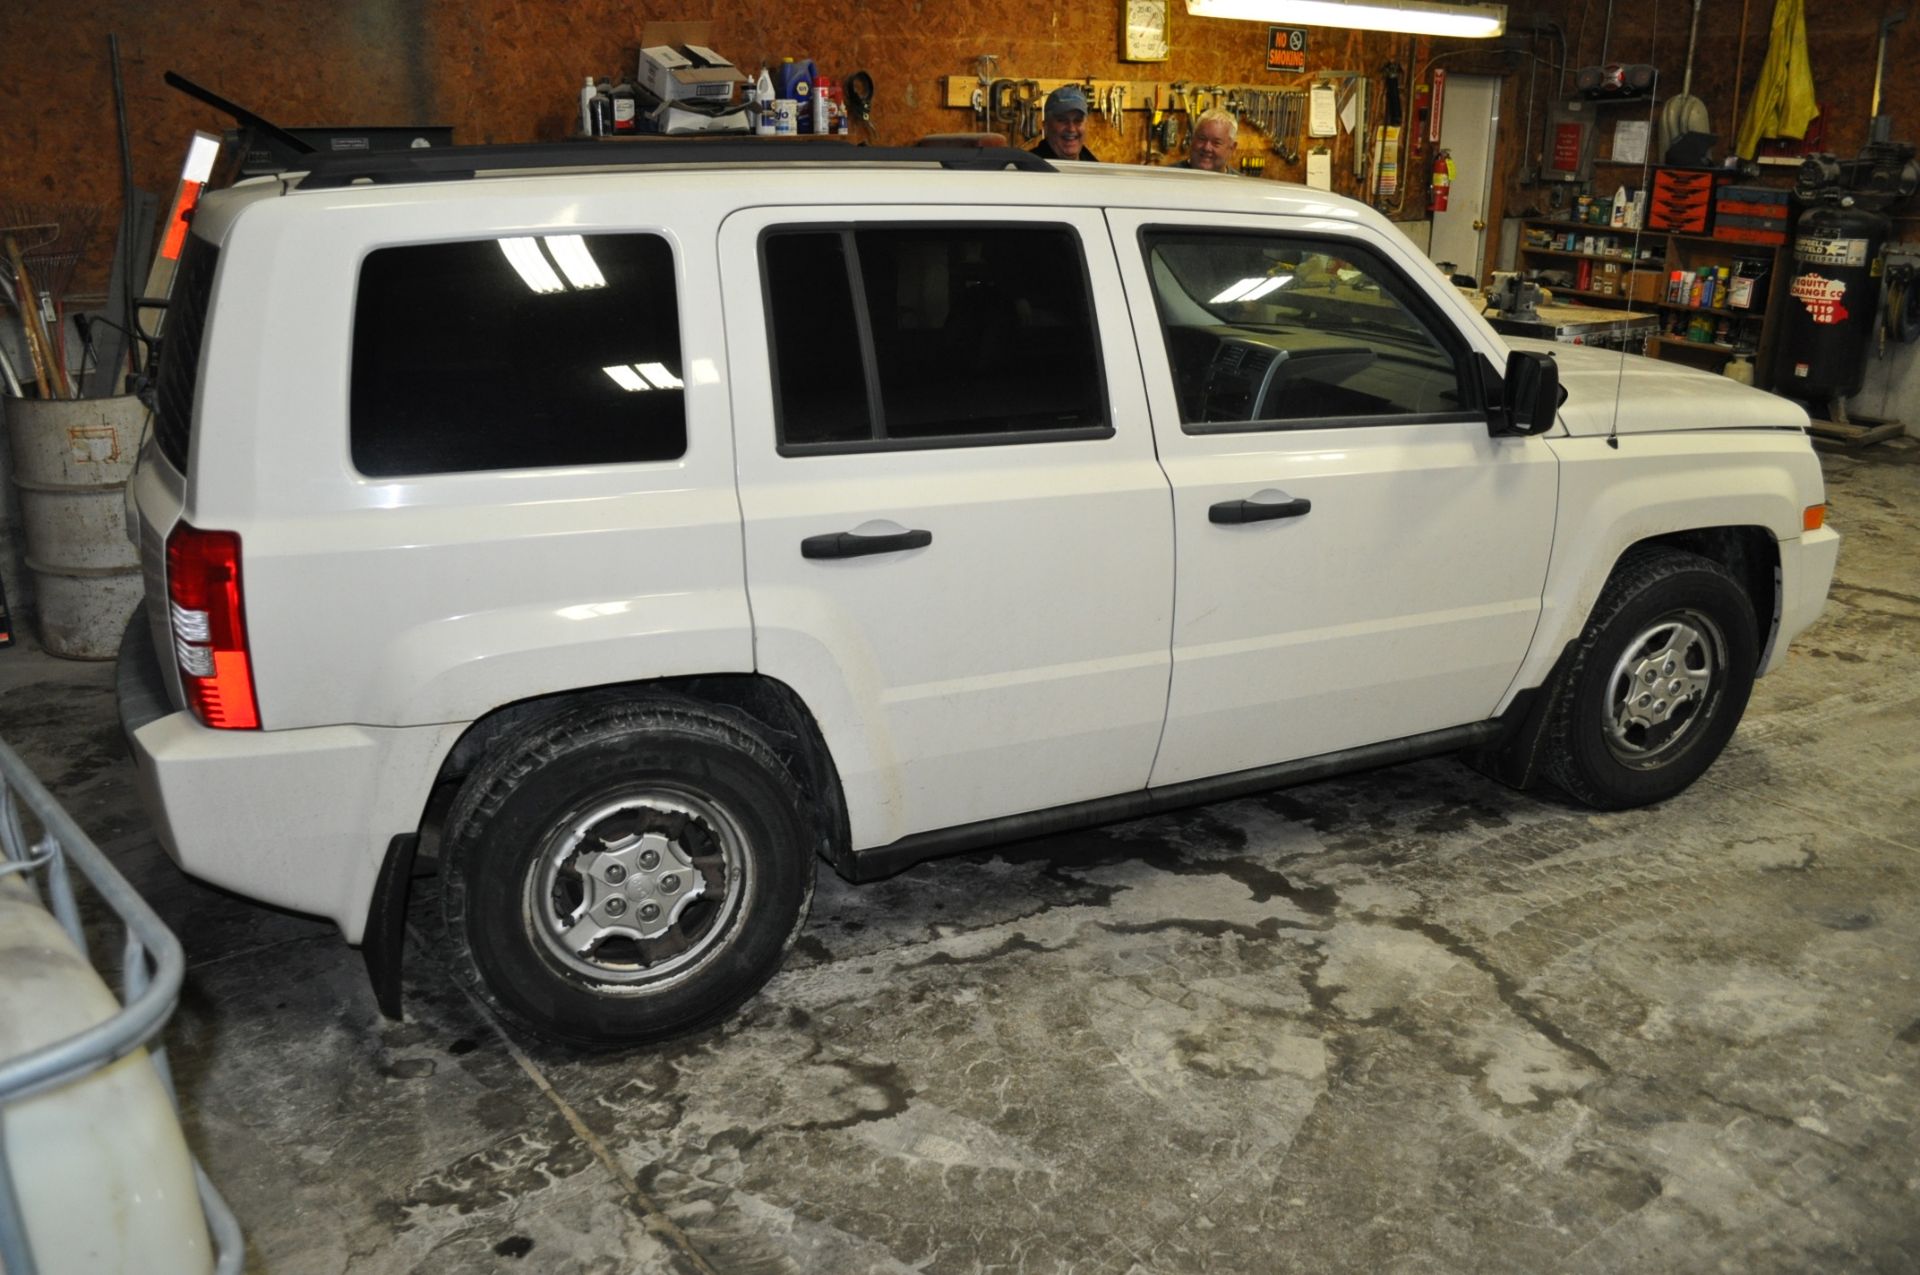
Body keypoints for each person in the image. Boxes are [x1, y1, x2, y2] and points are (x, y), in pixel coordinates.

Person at [1031, 86, 1099, 161]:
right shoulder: (1027, 168)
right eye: (1062, 120)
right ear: (1046, 127)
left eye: (1078, 120)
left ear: (1086, 126)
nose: (1071, 129)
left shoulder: (1097, 169)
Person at [1179, 108, 1241, 173]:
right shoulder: (1169, 178)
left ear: (1232, 148)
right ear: (1192, 139)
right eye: (1202, 139)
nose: (1206, 148)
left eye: (1216, 142)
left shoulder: (1241, 183)